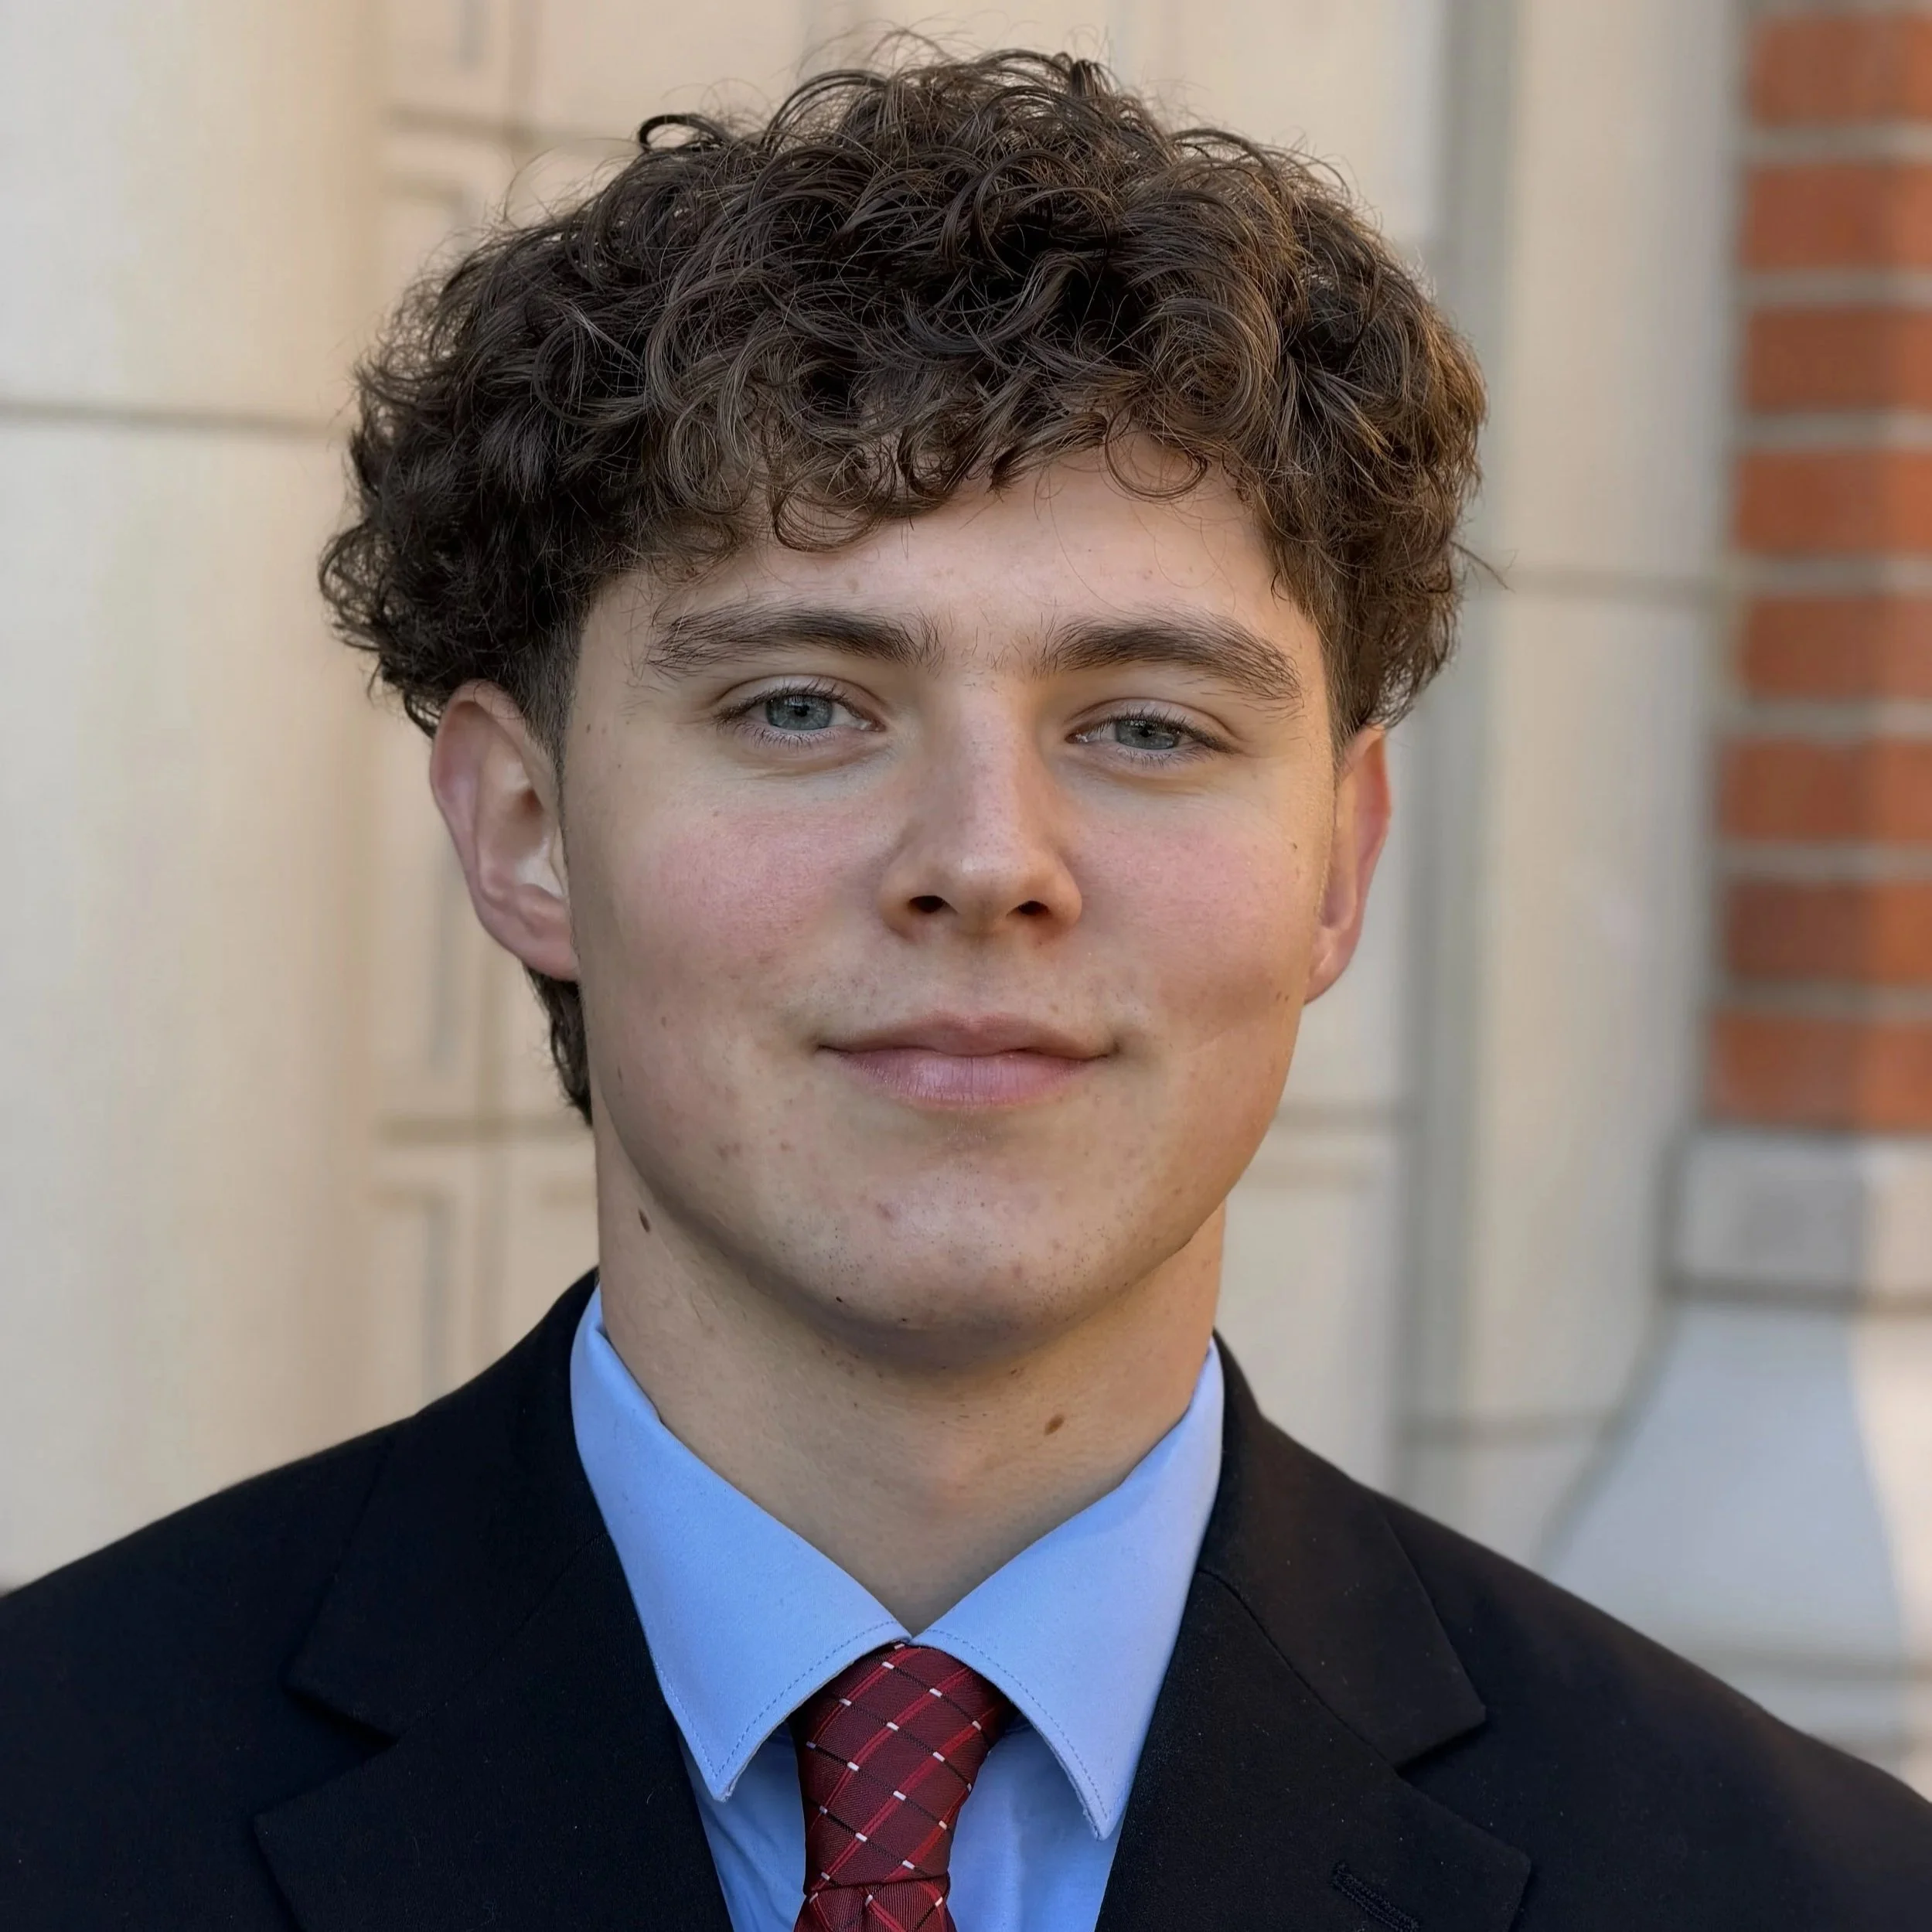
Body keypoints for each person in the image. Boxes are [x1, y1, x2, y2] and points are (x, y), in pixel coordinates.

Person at [3, 49, 1928, 1930]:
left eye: (1148, 725)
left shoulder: (1803, 1886)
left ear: (1336, 859)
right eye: (801, 705)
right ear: (521, 826)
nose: (990, 855)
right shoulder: (52, 1799)